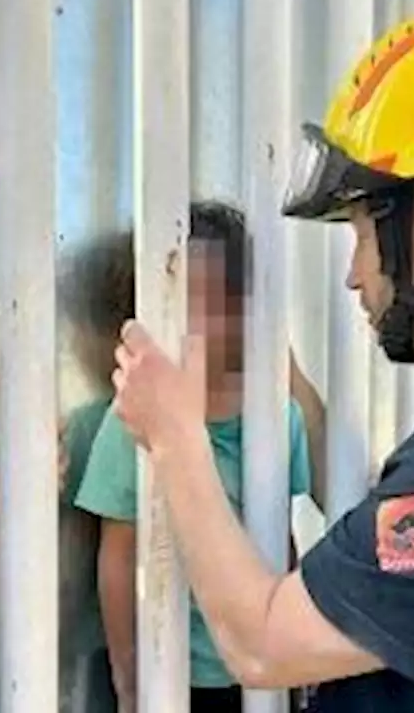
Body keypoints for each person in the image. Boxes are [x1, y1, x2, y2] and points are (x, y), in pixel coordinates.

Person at [112, 1, 414, 711]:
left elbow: (261, 643)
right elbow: (399, 536)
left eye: (364, 234)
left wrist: (173, 437)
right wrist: (277, 372)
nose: (355, 273)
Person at [71, 204, 325, 713]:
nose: (205, 319)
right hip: (171, 669)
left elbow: (284, 536)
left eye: (222, 299)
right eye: (188, 300)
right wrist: (127, 672)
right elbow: (116, 555)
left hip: (256, 664)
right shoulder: (131, 419)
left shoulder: (278, 416)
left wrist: (295, 648)